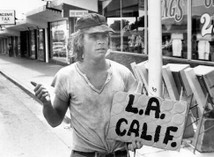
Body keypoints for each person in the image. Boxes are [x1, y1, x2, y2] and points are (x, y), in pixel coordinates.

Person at [33, 13, 142, 157]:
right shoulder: (66, 76)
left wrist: (135, 138)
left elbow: (136, 118)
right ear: (80, 41)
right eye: (94, 36)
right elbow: (55, 121)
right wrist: (46, 104)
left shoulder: (124, 74)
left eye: (104, 36)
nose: (101, 41)